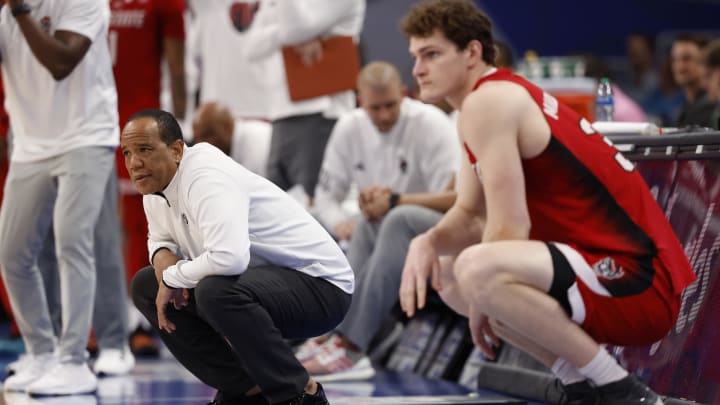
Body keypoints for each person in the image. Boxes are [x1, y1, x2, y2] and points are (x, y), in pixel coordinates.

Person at [397, 1, 696, 404]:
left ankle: (622, 392)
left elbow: (509, 230)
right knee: (448, 271)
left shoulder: (491, 101)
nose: (417, 69)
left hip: (638, 279)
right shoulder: (483, 103)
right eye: (415, 56)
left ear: (471, 53)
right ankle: (578, 385)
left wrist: (484, 295)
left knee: (473, 268)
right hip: (604, 268)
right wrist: (428, 242)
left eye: (431, 54)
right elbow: (471, 215)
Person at [124, 109, 354, 405]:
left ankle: (300, 393)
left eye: (144, 149)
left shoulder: (205, 176)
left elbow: (229, 259)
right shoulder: (154, 186)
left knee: (216, 290)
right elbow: (158, 239)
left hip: (323, 287)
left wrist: (172, 275)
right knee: (146, 285)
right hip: (266, 285)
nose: (134, 163)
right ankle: (246, 390)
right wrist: (162, 260)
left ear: (177, 150)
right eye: (127, 152)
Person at [0, 0, 118, 396]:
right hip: (31, 143)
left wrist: (18, 11)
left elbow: (62, 62)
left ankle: (73, 361)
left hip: (86, 136)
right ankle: (42, 353)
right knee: (12, 254)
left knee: (72, 243)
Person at [109, 0, 187, 358]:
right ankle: (106, 318)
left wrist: (178, 135)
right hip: (93, 123)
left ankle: (143, 319)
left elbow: (177, 66)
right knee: (97, 229)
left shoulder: (165, 4)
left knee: (144, 225)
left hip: (141, 125)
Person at [313, 61, 457, 241]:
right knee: (359, 226)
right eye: (375, 108)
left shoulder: (432, 124)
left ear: (404, 95)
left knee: (394, 220)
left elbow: (450, 200)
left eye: (390, 105)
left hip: (424, 228)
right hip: (371, 225)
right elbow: (325, 197)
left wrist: (391, 203)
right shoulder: (348, 127)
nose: (384, 115)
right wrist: (341, 224)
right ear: (360, 102)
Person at [243, 0, 365, 207]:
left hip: (320, 114)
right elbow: (250, 47)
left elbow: (295, 28)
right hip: (281, 115)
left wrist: (290, 35)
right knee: (277, 210)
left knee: (313, 209)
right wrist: (293, 37)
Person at [192, 101, 272, 176]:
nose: (200, 144)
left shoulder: (255, 145)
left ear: (228, 126)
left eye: (206, 135)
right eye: (197, 138)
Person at [671, 33, 709, 127]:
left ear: (705, 61)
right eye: (675, 59)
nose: (680, 66)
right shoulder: (685, 108)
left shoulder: (714, 108)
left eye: (687, 59)